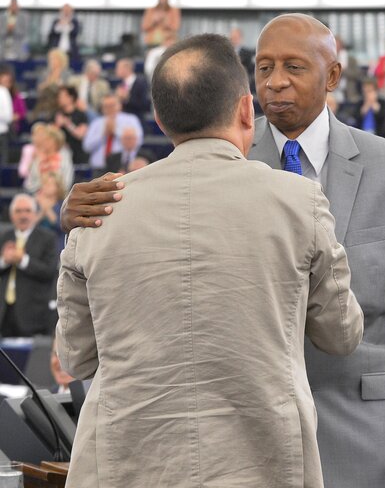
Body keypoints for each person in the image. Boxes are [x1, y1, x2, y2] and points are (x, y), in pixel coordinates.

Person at [60, 14, 385, 488]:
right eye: (264, 68)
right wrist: (75, 215)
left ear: (333, 76)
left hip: (369, 439)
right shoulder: (215, 155)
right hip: (243, 444)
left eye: (294, 66)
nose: (275, 82)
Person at [56, 33, 363, 488]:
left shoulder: (97, 209)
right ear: (245, 109)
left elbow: (75, 357)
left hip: (129, 464)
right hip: (262, 462)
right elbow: (341, 335)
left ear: (160, 120)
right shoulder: (299, 200)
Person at [0, 194, 58, 338]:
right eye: (18, 211)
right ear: (12, 215)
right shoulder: (5, 236)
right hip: (5, 313)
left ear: (35, 214)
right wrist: (4, 261)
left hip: (33, 314)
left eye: (27, 211)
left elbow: (49, 271)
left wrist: (23, 260)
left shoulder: (48, 238)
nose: (23, 215)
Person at [83, 94, 144, 170]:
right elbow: (86, 147)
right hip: (98, 168)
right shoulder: (96, 123)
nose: (109, 109)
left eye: (112, 105)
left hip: (121, 168)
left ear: (119, 105)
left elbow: (138, 141)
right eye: (106, 106)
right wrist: (103, 135)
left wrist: (115, 131)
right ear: (102, 108)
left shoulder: (130, 120)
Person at [21, 122, 74, 193]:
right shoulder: (37, 158)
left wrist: (54, 189)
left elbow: (67, 181)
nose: (43, 142)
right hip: (38, 194)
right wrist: (42, 189)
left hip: (59, 195)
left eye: (47, 139)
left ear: (55, 142)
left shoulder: (64, 157)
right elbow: (30, 182)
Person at [54, 85, 89, 164]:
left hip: (77, 154)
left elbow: (80, 134)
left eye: (62, 96)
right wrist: (57, 125)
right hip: (60, 155)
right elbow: (51, 136)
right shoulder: (57, 115)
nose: (59, 99)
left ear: (71, 97)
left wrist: (67, 124)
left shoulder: (81, 115)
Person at [0, 65, 27, 138]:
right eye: (4, 81)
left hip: (11, 127)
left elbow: (22, 113)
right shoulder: (2, 92)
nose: (6, 84)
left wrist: (10, 118)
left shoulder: (16, 96)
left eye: (8, 82)